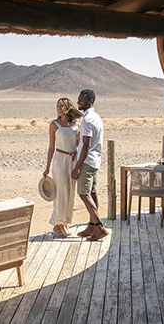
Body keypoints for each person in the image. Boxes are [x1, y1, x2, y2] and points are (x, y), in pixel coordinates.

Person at [43, 98, 82, 238]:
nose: (59, 108)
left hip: (73, 159)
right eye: (57, 106)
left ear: (68, 107)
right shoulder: (54, 125)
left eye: (62, 106)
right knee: (61, 192)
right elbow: (51, 147)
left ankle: (64, 224)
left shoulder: (75, 124)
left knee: (70, 192)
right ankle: (57, 225)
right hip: (60, 160)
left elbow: (78, 143)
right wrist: (47, 168)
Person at [71, 89, 107, 241]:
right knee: (92, 193)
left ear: (90, 101)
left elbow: (85, 145)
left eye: (81, 100)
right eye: (78, 99)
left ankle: (99, 227)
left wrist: (77, 167)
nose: (78, 102)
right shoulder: (96, 117)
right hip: (95, 161)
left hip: (86, 161)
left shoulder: (87, 120)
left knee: (84, 194)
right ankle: (91, 226)